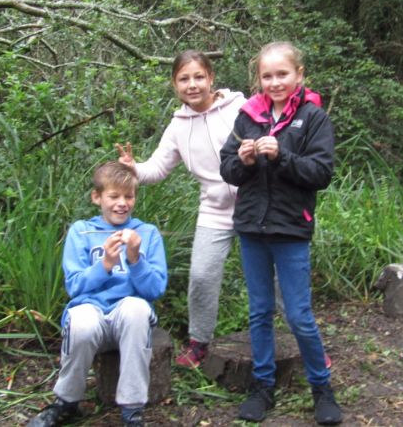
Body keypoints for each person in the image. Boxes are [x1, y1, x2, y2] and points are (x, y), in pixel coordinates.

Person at [220, 41, 342, 425]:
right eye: (267, 76)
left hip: (291, 229)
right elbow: (227, 169)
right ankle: (262, 387)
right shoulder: (247, 116)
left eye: (282, 74)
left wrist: (281, 155)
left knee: (299, 315)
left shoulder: (313, 117)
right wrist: (243, 160)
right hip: (252, 228)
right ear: (258, 79)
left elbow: (321, 173)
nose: (275, 82)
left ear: (299, 75)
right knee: (259, 312)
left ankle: (321, 388)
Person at [117, 50, 245, 367]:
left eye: (199, 77)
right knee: (201, 275)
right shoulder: (178, 126)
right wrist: (134, 168)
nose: (192, 85)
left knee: (274, 275)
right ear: (175, 84)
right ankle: (199, 343)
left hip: (255, 204)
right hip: (214, 209)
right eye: (184, 79)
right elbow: (157, 169)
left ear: (211, 78)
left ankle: (301, 338)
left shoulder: (239, 108)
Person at [27, 161, 167, 427]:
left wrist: (135, 260)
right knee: (82, 321)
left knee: (136, 309)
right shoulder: (81, 232)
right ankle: (66, 402)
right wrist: (105, 265)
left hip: (129, 319)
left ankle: (133, 410)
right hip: (91, 312)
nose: (122, 203)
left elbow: (155, 289)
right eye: (114, 196)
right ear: (97, 197)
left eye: (128, 196)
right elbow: (75, 287)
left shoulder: (147, 233)